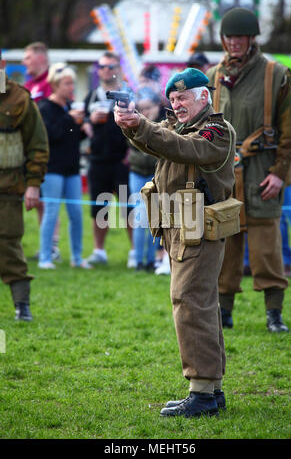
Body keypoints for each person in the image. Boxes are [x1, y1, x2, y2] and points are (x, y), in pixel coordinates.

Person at [114, 67, 236, 418]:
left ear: (204, 97)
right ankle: (211, 390)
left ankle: (201, 391)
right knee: (201, 303)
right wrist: (131, 125)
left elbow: (185, 149)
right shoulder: (180, 126)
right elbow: (160, 144)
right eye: (171, 98)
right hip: (180, 224)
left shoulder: (215, 130)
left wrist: (141, 124)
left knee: (190, 301)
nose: (175, 104)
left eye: (182, 97)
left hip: (197, 224)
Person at [206, 8, 291, 332]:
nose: (234, 43)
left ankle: (274, 313)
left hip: (263, 170)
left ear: (252, 39)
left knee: (267, 248)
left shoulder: (277, 74)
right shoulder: (213, 76)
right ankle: (224, 312)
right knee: (224, 244)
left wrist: (279, 172)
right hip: (224, 172)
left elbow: (289, 133)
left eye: (240, 37)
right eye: (229, 37)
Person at [0, 72, 49, 320]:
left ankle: (22, 306)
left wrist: (33, 184)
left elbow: (37, 145)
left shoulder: (19, 99)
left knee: (8, 245)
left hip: (8, 187)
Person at [82, 52, 134, 268]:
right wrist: (88, 121)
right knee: (100, 208)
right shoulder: (92, 96)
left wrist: (132, 152)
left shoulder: (128, 94)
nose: (105, 70)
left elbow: (142, 122)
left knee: (127, 208)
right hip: (98, 160)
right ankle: (99, 251)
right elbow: (81, 123)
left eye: (110, 66)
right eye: (101, 67)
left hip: (122, 160)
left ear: (118, 68)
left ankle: (134, 252)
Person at [38, 63, 91, 269]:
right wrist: (69, 119)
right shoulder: (45, 107)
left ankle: (77, 258)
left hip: (72, 169)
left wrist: (86, 126)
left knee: (76, 213)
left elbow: (73, 138)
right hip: (53, 169)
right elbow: (50, 136)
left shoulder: (69, 109)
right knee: (52, 212)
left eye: (72, 83)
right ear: (55, 85)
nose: (71, 87)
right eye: (67, 83)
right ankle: (45, 257)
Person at [22, 42, 61, 262]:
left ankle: (52, 246)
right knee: (36, 199)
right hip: (28, 150)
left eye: (28, 58)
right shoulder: (28, 85)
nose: (24, 62)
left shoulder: (52, 82)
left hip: (49, 152)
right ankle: (45, 243)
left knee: (47, 200)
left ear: (40, 58)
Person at [129, 87, 162, 271]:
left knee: (154, 217)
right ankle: (138, 260)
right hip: (136, 172)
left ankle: (151, 260)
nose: (146, 112)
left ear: (158, 106)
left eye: (149, 107)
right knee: (140, 216)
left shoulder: (164, 124)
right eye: (142, 108)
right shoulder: (136, 122)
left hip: (155, 174)